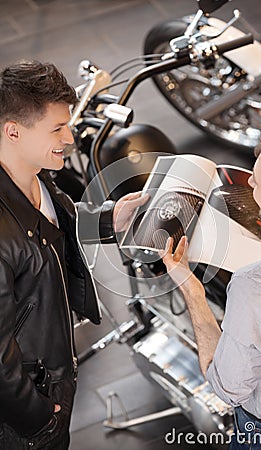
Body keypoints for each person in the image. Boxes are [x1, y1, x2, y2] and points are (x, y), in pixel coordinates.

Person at [0, 60, 148, 449]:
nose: (69, 137)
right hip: (26, 422)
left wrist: (109, 219)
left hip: (54, 379)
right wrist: (38, 417)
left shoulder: (35, 171)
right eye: (57, 129)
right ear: (12, 131)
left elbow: (56, 223)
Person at [162, 124, 261, 449]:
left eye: (256, 180)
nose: (249, 180)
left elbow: (228, 387)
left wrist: (191, 289)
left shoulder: (256, 288)